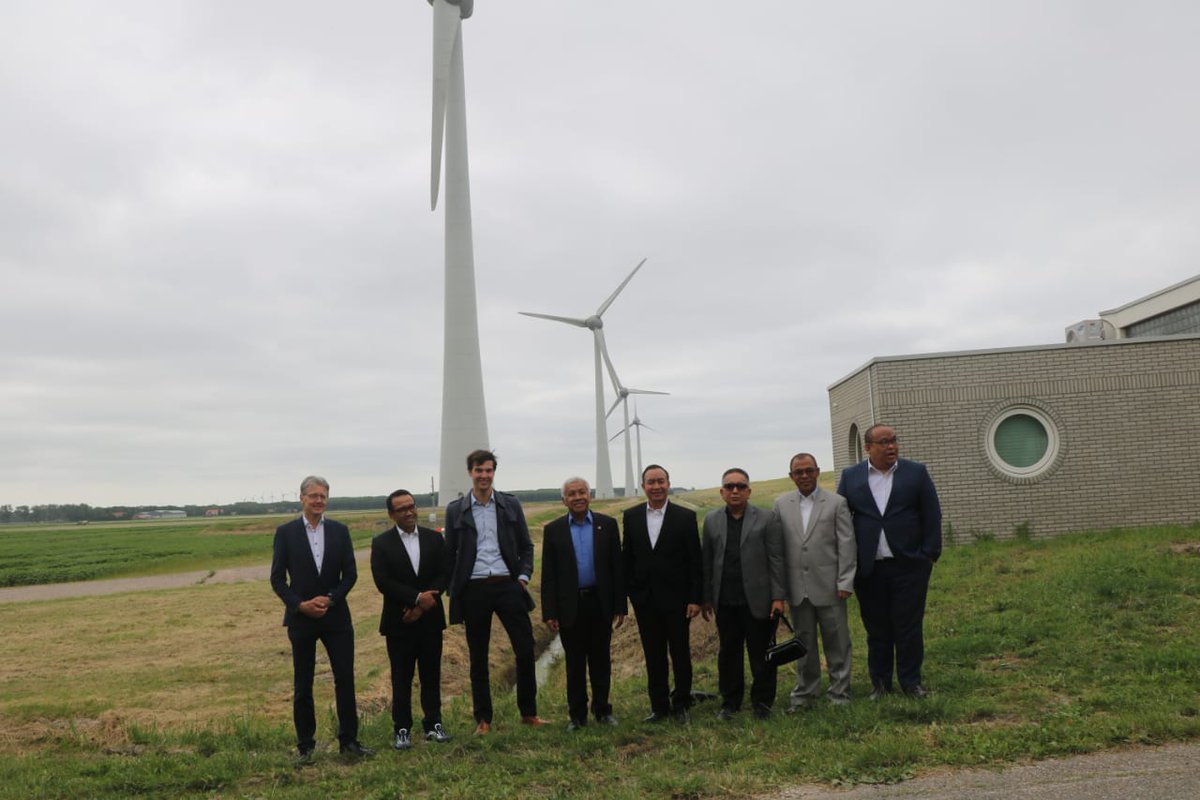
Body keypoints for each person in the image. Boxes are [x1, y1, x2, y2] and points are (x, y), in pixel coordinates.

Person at [269, 476, 371, 761]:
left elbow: (350, 574)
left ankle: (349, 741)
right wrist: (300, 605)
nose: (318, 501)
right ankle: (305, 745)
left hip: (336, 617)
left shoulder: (340, 531)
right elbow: (277, 579)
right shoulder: (286, 532)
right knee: (303, 683)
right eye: (313, 496)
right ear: (301, 498)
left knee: (345, 679)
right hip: (301, 619)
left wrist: (331, 598)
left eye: (323, 496)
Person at [837, 424, 942, 698]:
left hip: (909, 565)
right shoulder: (851, 477)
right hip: (869, 568)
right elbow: (839, 519)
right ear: (868, 447)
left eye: (894, 440)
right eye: (884, 442)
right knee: (877, 628)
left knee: (908, 626)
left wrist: (929, 553)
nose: (891, 446)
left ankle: (911, 682)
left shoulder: (915, 472)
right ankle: (880, 684)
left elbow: (932, 513)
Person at [444, 449, 546, 733]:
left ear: (493, 473)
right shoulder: (456, 509)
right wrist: (456, 587)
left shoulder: (510, 505)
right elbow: (449, 553)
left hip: (508, 586)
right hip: (474, 589)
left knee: (525, 649)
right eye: (479, 470)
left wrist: (523, 577)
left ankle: (529, 712)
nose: (484, 476)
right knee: (478, 657)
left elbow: (526, 546)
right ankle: (483, 720)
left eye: (488, 470)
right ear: (470, 472)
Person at [541, 477, 627, 730]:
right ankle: (577, 716)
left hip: (600, 603)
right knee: (574, 664)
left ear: (590, 495)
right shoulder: (553, 530)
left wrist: (620, 605)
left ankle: (603, 710)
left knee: (601, 661)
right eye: (571, 494)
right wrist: (550, 611)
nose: (578, 497)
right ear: (563, 500)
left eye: (582, 492)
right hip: (570, 606)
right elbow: (549, 575)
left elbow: (616, 568)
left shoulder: (607, 525)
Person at [701, 468, 787, 719]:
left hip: (759, 599)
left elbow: (776, 559)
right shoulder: (712, 520)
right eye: (729, 487)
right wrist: (706, 597)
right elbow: (706, 561)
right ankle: (730, 702)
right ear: (721, 492)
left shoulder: (767, 518)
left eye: (740, 486)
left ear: (749, 491)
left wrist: (778, 596)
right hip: (725, 600)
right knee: (729, 653)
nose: (735, 491)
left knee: (762, 653)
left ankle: (762, 702)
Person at [773, 453, 856, 708]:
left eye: (809, 470)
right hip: (798, 589)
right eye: (799, 472)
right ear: (791, 476)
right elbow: (777, 549)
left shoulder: (836, 502)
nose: (805, 476)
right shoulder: (780, 504)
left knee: (838, 642)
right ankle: (805, 693)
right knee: (803, 644)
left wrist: (845, 581)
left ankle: (839, 693)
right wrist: (781, 588)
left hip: (831, 586)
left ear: (818, 472)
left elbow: (847, 544)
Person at [371, 489, 451, 751]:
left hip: (430, 621)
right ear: (391, 514)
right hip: (400, 621)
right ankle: (402, 729)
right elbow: (383, 581)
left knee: (431, 674)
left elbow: (444, 573)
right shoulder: (382, 543)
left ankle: (433, 724)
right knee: (401, 677)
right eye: (402, 509)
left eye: (411, 506)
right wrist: (416, 598)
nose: (409, 512)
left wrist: (426, 602)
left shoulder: (434, 538)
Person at [621, 464, 702, 723]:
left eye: (661, 481)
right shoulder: (631, 516)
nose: (656, 486)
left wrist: (695, 598)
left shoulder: (685, 517)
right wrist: (633, 593)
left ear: (668, 483)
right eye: (651, 482)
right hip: (646, 601)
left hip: (678, 601)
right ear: (643, 486)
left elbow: (694, 561)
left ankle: (681, 704)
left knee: (680, 654)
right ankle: (659, 706)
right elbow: (628, 557)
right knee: (653, 655)